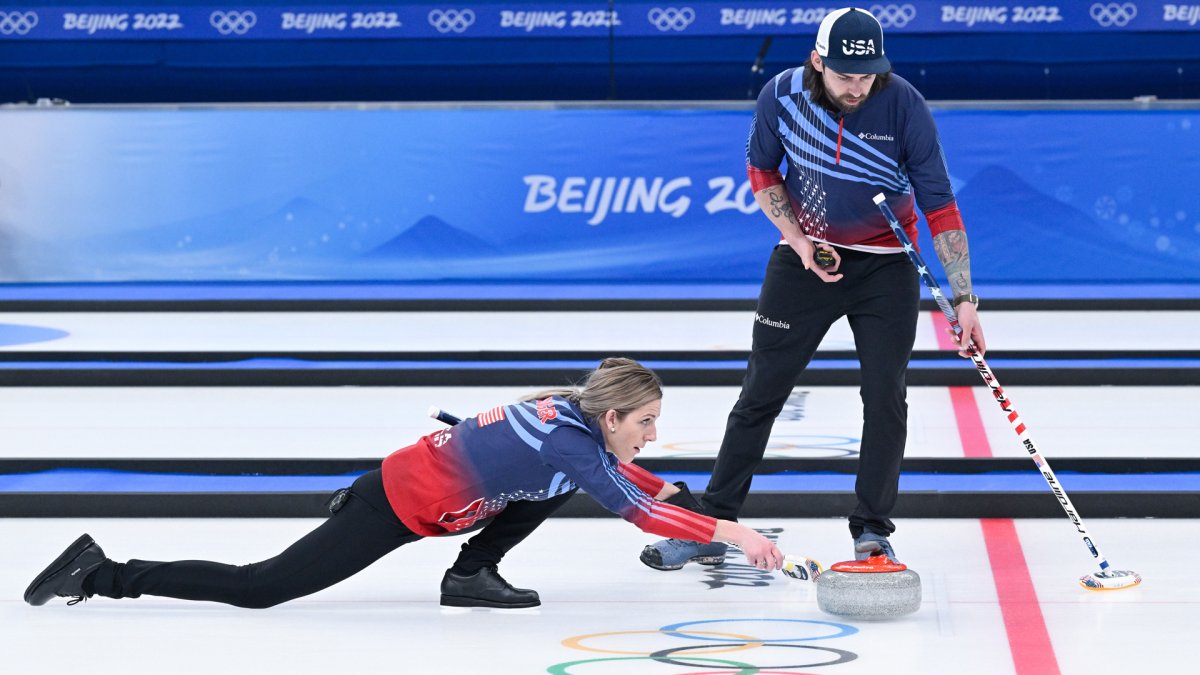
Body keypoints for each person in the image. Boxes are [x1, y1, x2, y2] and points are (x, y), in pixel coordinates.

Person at [641, 7, 987, 571]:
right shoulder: (780, 96)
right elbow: (762, 171)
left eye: (867, 75)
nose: (857, 87)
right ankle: (713, 520)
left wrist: (964, 297)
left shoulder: (904, 104)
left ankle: (872, 529)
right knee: (760, 395)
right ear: (817, 61)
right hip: (806, 261)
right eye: (845, 76)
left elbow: (940, 204)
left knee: (884, 399)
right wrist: (797, 240)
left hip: (885, 268)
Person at [24, 358, 783, 609]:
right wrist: (732, 530)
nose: (651, 433)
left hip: (421, 485)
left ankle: (472, 573)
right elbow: (636, 509)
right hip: (393, 503)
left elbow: (613, 469)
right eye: (645, 421)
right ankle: (106, 572)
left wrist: (659, 482)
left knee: (557, 482)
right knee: (261, 588)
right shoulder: (569, 439)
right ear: (612, 413)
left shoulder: (571, 413)